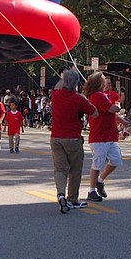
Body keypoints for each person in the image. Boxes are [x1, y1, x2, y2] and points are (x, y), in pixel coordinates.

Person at [51, 70, 98, 213]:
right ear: (76, 83)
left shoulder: (56, 95)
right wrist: (86, 99)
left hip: (56, 137)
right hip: (73, 137)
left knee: (60, 169)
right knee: (75, 170)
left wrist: (64, 77)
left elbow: (58, 86)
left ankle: (60, 194)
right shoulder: (79, 99)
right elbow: (94, 112)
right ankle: (72, 198)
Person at [83, 72, 128, 202]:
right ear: (99, 83)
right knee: (97, 164)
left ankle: (100, 180)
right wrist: (120, 108)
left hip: (109, 135)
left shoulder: (102, 96)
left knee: (116, 160)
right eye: (104, 80)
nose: (107, 82)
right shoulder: (97, 96)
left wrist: (122, 121)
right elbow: (112, 109)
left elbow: (109, 113)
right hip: (100, 136)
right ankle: (91, 190)